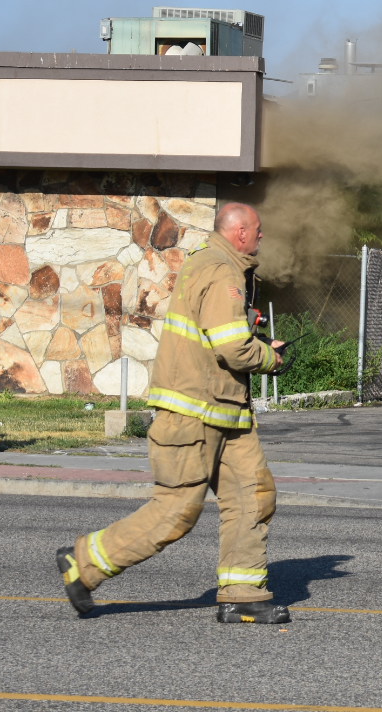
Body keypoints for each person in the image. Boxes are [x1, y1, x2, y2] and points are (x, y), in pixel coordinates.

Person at [57, 202, 291, 624]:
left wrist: (250, 330)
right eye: (258, 231)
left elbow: (221, 332)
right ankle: (85, 561)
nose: (261, 238)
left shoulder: (216, 265)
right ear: (240, 233)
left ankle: (242, 593)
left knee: (253, 494)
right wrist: (269, 358)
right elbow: (232, 347)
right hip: (194, 413)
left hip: (225, 412)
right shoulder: (222, 271)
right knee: (176, 510)